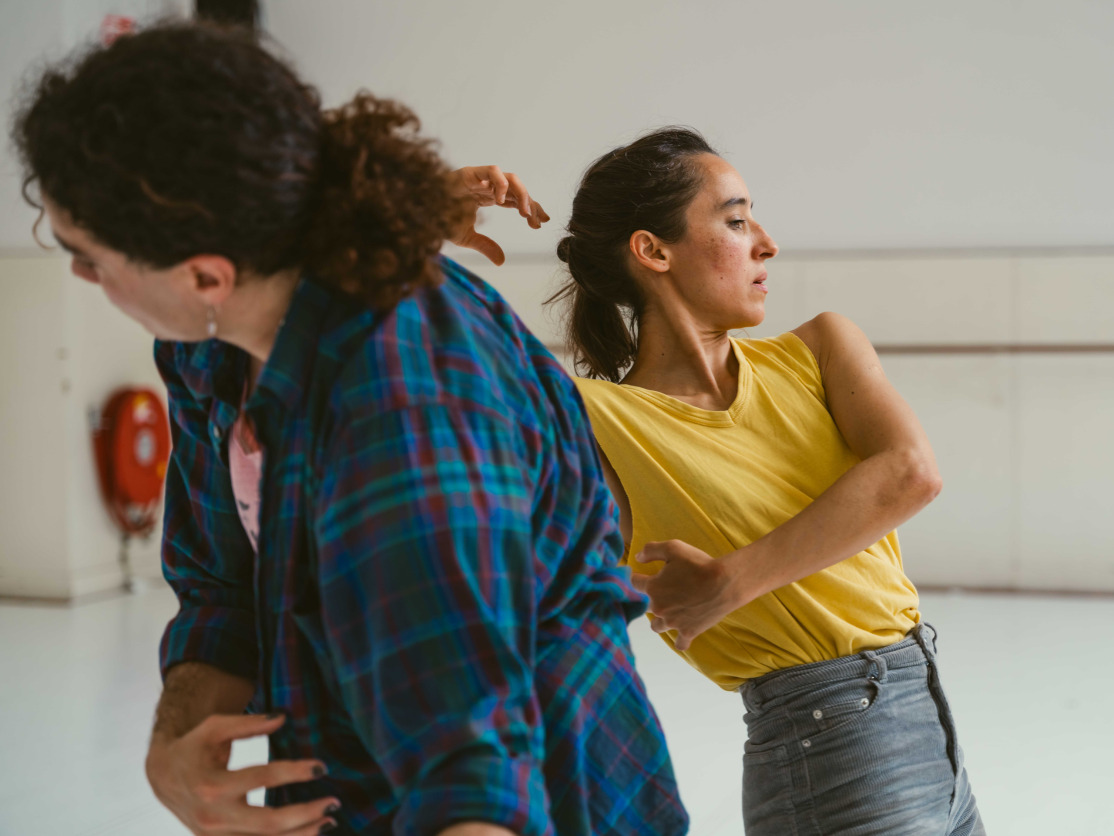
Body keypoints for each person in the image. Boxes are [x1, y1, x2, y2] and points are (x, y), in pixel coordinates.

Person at [12, 24, 689, 836]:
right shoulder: (208, 342)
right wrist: (174, 744)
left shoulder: (403, 401)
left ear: (205, 274)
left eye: (89, 257)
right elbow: (221, 586)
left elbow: (472, 774)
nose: (80, 275)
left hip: (550, 799)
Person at [550, 127, 985, 835]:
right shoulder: (591, 418)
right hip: (827, 752)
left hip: (928, 716)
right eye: (735, 220)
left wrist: (731, 581)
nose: (767, 244)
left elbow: (911, 473)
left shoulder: (820, 349)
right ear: (653, 251)